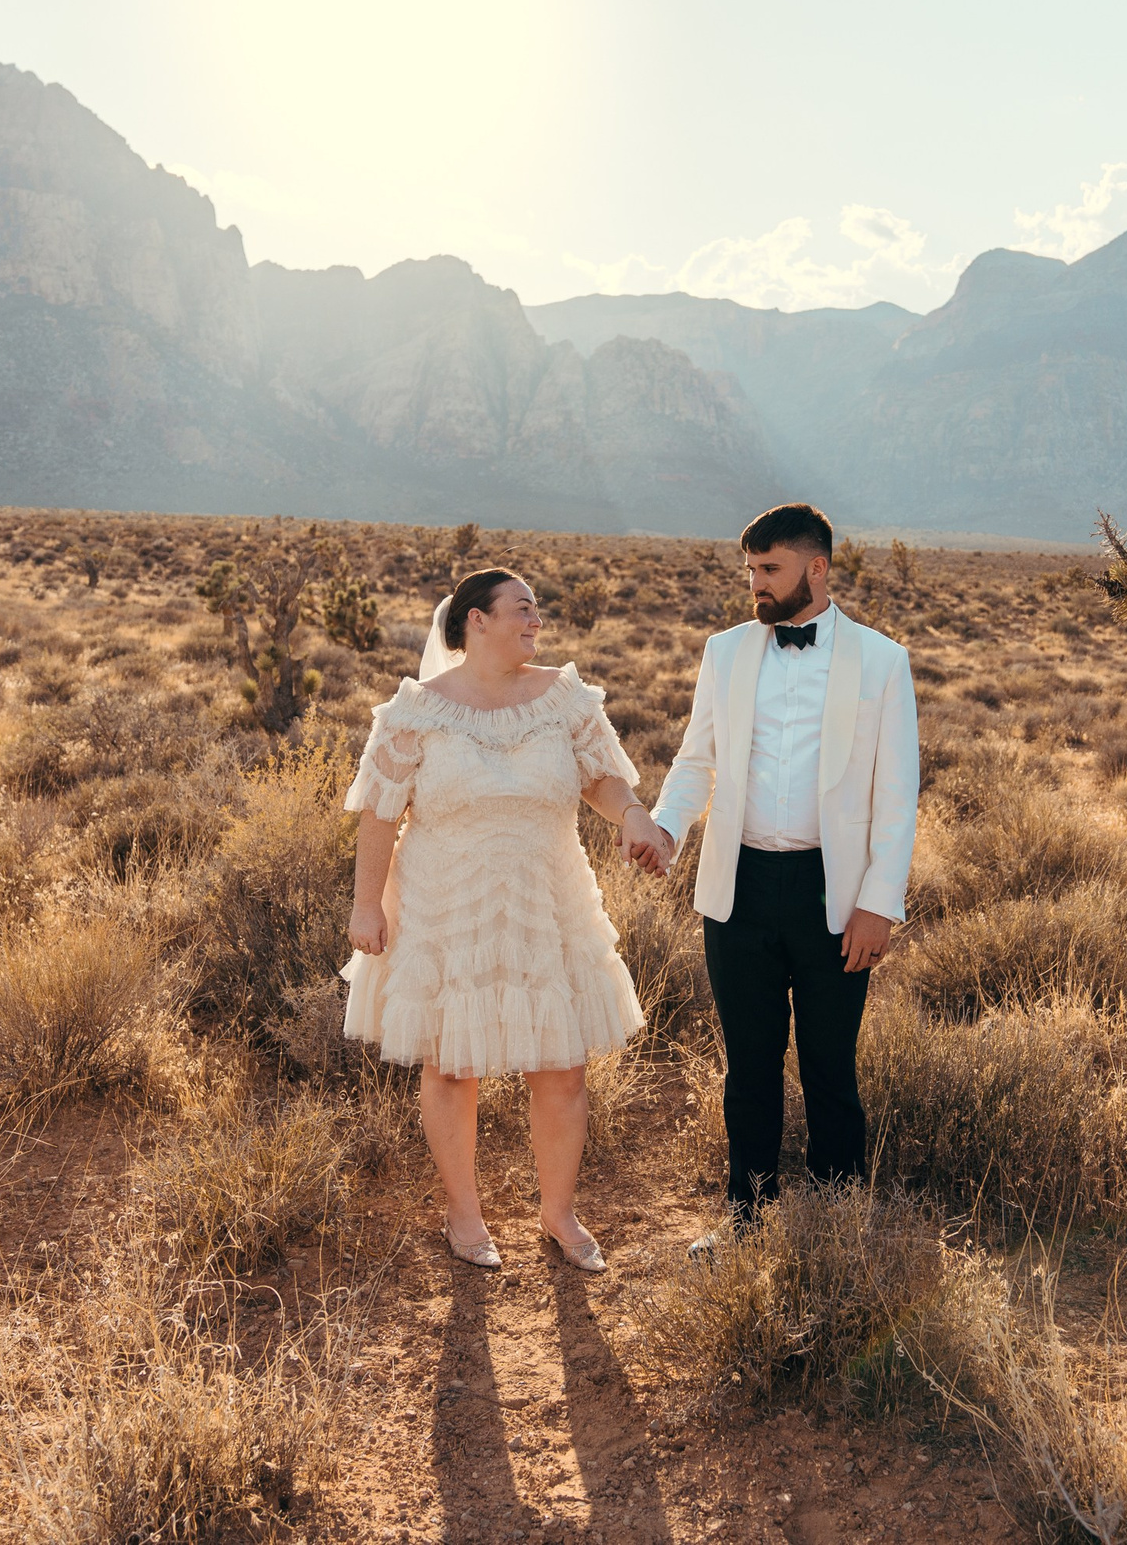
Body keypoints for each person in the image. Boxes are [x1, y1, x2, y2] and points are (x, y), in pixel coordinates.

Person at [341, 566, 673, 1272]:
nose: (536, 622)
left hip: (546, 898)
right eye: (522, 610)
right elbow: (379, 811)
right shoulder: (416, 710)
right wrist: (366, 904)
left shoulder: (566, 698)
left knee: (562, 1067)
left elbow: (600, 779)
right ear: (475, 621)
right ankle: (464, 1214)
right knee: (451, 1065)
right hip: (444, 900)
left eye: (538, 611)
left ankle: (558, 1213)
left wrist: (635, 813)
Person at [644, 504, 920, 1253]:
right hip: (737, 890)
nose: (757, 586)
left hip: (835, 897)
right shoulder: (725, 652)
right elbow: (696, 756)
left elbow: (896, 796)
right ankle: (746, 1221)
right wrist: (668, 827)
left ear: (816, 568)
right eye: (751, 572)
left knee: (831, 1069)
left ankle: (838, 1232)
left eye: (770, 570)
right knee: (750, 1068)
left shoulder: (882, 662)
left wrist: (877, 904)